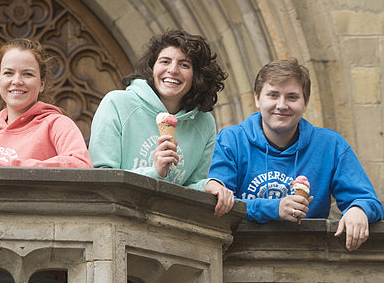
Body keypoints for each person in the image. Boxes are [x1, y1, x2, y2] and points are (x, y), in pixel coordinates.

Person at [209, 58, 384, 251]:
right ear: (257, 99)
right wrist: (274, 208)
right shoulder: (231, 140)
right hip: (241, 252)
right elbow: (219, 204)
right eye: (273, 95)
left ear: (306, 102)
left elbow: (369, 200)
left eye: (292, 97)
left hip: (308, 255)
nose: (282, 105)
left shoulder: (330, 145)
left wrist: (359, 210)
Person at [88, 29, 234, 216]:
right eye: (165, 61)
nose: (172, 70)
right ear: (152, 68)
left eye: (184, 64)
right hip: (118, 218)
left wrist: (209, 185)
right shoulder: (117, 103)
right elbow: (102, 177)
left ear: (197, 75)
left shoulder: (204, 123)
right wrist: (155, 172)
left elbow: (189, 186)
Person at [0, 39, 92, 168]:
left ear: (42, 84)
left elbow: (81, 164)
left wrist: (14, 168)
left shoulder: (57, 124)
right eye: (9, 73)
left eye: (27, 74)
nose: (17, 81)